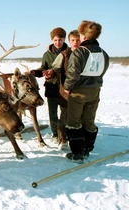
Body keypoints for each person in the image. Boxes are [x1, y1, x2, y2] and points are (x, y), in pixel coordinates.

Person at [63, 20, 109, 163]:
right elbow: (102, 71)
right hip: (95, 91)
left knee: (74, 121)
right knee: (89, 120)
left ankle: (77, 153)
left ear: (83, 35)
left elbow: (73, 73)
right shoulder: (104, 53)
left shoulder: (79, 52)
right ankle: (87, 149)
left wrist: (67, 87)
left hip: (78, 92)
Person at [30, 27, 68, 142]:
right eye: (55, 40)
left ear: (64, 39)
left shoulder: (69, 52)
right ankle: (55, 134)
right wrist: (35, 72)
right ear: (52, 40)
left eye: (60, 40)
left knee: (65, 114)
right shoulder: (47, 55)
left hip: (65, 88)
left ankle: (63, 134)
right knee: (53, 114)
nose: (58, 42)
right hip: (51, 87)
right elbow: (43, 69)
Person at [47, 30, 81, 149]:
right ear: (70, 41)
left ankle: (77, 139)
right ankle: (61, 139)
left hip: (81, 91)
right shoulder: (64, 54)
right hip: (65, 90)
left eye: (78, 40)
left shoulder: (86, 53)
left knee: (78, 116)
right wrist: (48, 74)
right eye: (73, 40)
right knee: (63, 116)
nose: (76, 42)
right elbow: (53, 68)